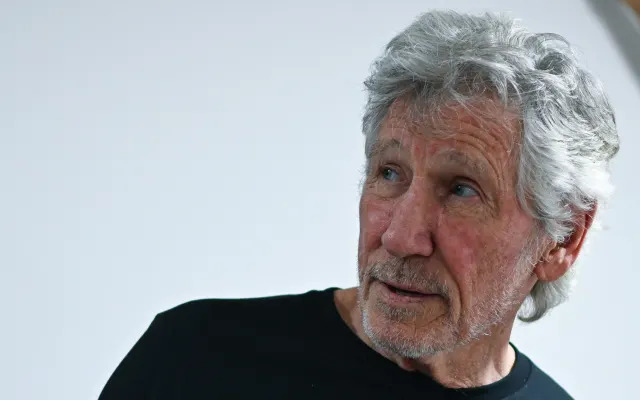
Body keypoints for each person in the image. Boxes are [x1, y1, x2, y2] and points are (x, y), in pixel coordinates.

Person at [99, 10, 619, 399]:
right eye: (390, 174)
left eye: (462, 189)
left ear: (563, 237)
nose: (398, 236)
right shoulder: (197, 358)